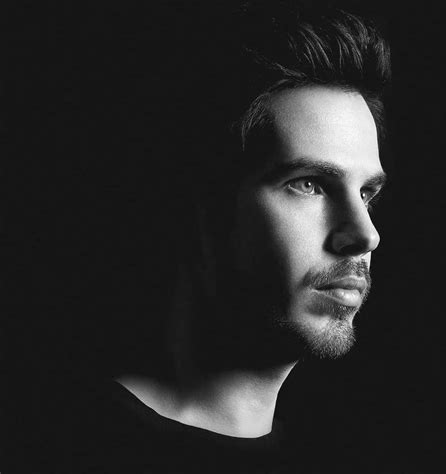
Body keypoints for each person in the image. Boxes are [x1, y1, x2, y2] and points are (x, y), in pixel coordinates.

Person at [6, 2, 391, 473]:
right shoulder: (50, 444)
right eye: (308, 184)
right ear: (203, 205)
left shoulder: (354, 454)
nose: (365, 234)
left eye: (366, 193)